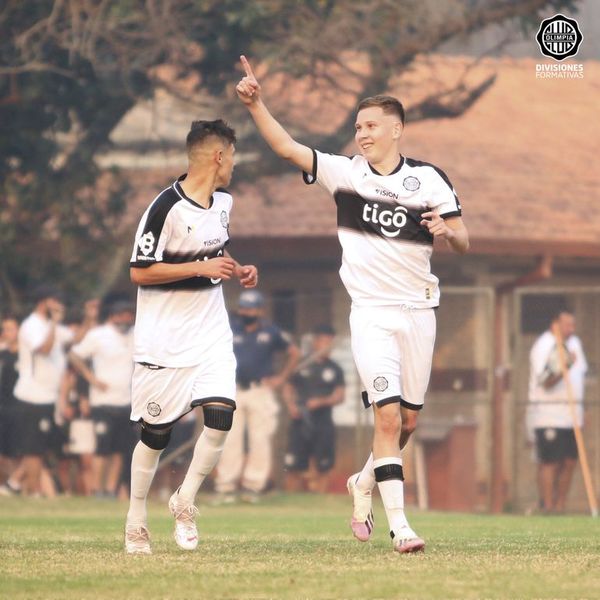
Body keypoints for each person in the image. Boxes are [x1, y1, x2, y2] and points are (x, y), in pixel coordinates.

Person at [236, 56, 469, 553]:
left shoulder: (429, 179)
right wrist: (257, 105)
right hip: (371, 314)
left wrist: (448, 231)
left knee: (407, 423)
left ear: (396, 129)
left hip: (420, 312)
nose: (362, 134)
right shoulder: (343, 173)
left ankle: (363, 481)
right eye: (358, 126)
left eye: (371, 126)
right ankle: (401, 527)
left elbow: (464, 239)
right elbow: (286, 147)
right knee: (385, 419)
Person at [124, 119, 258, 555]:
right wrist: (199, 269)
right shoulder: (164, 208)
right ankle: (136, 519)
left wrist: (236, 268)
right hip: (163, 343)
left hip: (211, 336)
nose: (233, 165)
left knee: (221, 417)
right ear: (219, 156)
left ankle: (184, 501)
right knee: (155, 436)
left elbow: (213, 252)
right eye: (232, 155)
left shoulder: (223, 203)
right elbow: (140, 271)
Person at [214, 289, 300, 502]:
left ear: (260, 310)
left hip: (260, 389)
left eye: (251, 308)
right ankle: (226, 487)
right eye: (244, 307)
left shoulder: (270, 331)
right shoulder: (229, 329)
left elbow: (294, 352)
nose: (247, 311)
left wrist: (281, 378)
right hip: (232, 388)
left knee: (260, 439)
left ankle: (253, 486)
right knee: (230, 438)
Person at [69, 300, 136, 498]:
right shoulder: (98, 335)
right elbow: (75, 355)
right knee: (102, 449)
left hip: (126, 401)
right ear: (112, 315)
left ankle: (111, 489)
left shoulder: (135, 335)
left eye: (129, 314)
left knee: (119, 450)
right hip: (102, 401)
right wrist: (92, 379)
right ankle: (97, 489)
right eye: (122, 314)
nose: (126, 318)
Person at [12, 287, 74, 496]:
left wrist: (91, 319)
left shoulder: (50, 325)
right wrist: (55, 323)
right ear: (43, 302)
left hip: (48, 397)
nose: (59, 305)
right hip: (32, 395)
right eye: (54, 301)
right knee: (33, 449)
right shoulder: (31, 325)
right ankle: (32, 491)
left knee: (42, 447)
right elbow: (45, 349)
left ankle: (26, 488)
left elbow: (75, 339)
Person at [526, 310, 587, 514]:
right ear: (555, 324)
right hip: (549, 415)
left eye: (573, 324)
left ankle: (560, 505)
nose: (571, 329)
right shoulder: (544, 345)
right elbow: (546, 381)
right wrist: (565, 366)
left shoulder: (575, 343)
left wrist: (581, 412)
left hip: (572, 417)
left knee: (569, 462)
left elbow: (580, 377)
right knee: (549, 461)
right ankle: (548, 506)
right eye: (567, 324)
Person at [282, 324, 345, 493]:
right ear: (316, 343)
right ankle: (290, 500)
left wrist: (322, 402)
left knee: (323, 464)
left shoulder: (335, 369)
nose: (326, 346)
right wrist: (291, 406)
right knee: (293, 464)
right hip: (300, 420)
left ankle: (319, 498)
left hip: (323, 421)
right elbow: (288, 387)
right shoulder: (302, 365)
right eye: (323, 341)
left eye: (330, 342)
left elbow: (340, 395)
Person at [0, 316, 20, 493]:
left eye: (11, 328)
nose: (7, 333)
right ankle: (9, 486)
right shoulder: (2, 355)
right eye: (4, 329)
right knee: (4, 454)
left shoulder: (27, 355)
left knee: (20, 453)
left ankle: (14, 485)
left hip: (20, 407)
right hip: (4, 407)